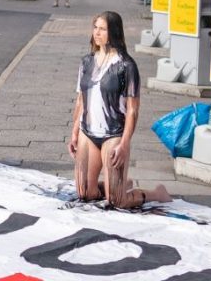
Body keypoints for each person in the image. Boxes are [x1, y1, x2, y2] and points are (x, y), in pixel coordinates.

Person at [67, 11, 171, 208]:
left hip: (113, 134)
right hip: (87, 133)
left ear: (113, 32)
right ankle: (116, 185)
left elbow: (133, 110)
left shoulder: (126, 66)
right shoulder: (86, 62)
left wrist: (124, 144)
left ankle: (156, 193)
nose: (97, 33)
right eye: (95, 27)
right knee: (85, 194)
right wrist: (74, 133)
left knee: (117, 201)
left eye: (102, 29)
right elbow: (80, 101)